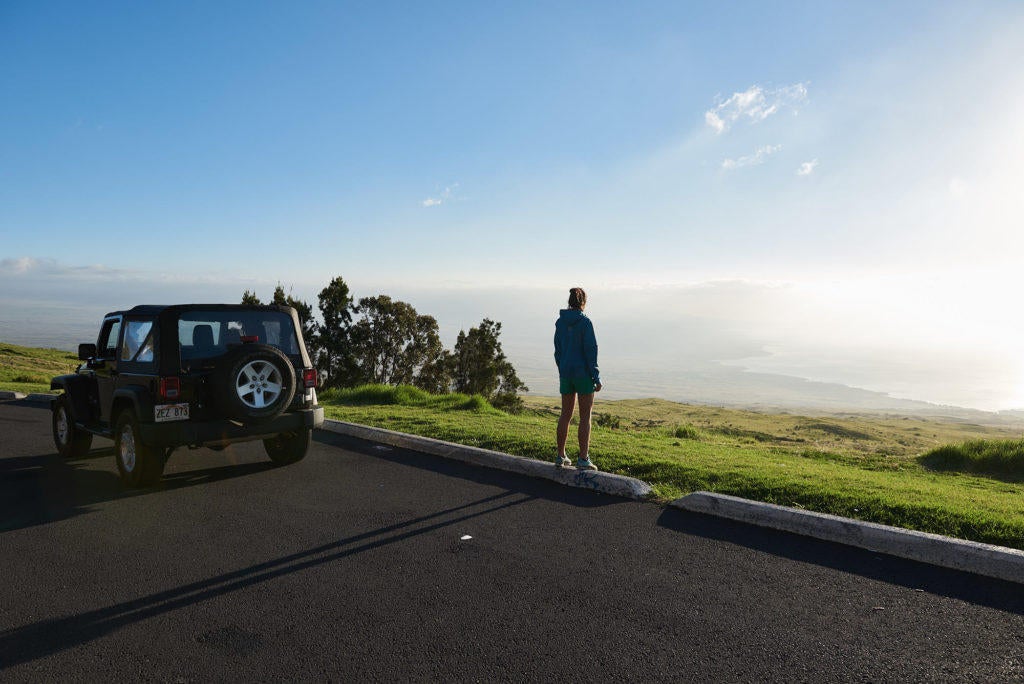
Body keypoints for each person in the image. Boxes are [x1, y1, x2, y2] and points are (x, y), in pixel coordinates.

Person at [553, 287, 602, 470]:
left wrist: (562, 368)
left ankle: (561, 456)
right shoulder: (585, 322)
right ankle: (583, 458)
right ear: (583, 302)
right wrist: (596, 376)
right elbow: (591, 350)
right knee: (585, 417)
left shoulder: (560, 322)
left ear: (569, 301)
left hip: (566, 373)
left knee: (565, 415)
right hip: (583, 375)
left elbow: (557, 349)